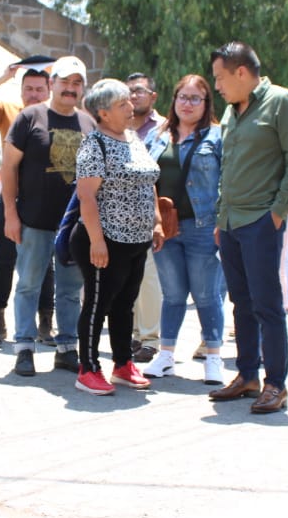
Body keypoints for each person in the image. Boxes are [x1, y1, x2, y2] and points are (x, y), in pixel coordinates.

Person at [204, 42, 288, 414]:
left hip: (261, 221)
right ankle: (247, 375)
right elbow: (228, 168)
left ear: (242, 73)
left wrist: (278, 213)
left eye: (220, 78)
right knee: (241, 304)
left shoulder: (281, 102)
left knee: (267, 305)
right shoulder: (233, 113)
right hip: (231, 222)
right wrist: (221, 216)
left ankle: (276, 384)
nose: (216, 86)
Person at [1, 56, 97, 376]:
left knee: (70, 288)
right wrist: (11, 214)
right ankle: (24, 347)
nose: (70, 89)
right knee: (28, 284)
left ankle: (67, 347)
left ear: (82, 88)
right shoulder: (30, 117)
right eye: (64, 82)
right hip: (33, 221)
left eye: (76, 83)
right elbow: (9, 168)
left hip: (73, 225)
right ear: (52, 82)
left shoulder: (88, 124)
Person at [69, 79, 162, 395]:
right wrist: (97, 241)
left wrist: (157, 222)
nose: (131, 107)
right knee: (97, 305)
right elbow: (87, 198)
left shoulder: (134, 138)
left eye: (129, 101)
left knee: (125, 305)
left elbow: (148, 180)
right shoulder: (95, 144)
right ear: (103, 112)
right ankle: (88, 368)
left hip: (137, 240)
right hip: (105, 241)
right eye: (123, 104)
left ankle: (123, 364)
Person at [142, 75, 225, 385]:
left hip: (202, 226)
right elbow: (145, 179)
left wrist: (222, 220)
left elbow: (227, 180)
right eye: (183, 97)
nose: (187, 104)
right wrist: (153, 221)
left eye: (195, 99)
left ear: (206, 105)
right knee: (172, 294)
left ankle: (213, 357)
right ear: (173, 101)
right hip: (165, 227)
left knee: (206, 294)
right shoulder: (157, 136)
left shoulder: (217, 137)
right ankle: (166, 355)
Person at [0, 61, 56, 342]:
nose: (33, 94)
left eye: (39, 89)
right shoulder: (9, 112)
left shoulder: (59, 116)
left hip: (46, 201)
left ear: (49, 89)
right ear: (21, 92)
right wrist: (5, 75)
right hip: (12, 198)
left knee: (46, 263)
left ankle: (45, 320)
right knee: (4, 260)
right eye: (28, 89)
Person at [126, 72, 165, 363]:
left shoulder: (164, 127)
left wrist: (157, 218)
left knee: (150, 279)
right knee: (132, 280)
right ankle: (136, 336)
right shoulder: (119, 126)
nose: (134, 95)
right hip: (123, 213)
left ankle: (151, 339)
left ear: (153, 96)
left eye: (140, 90)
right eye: (129, 92)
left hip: (155, 211)